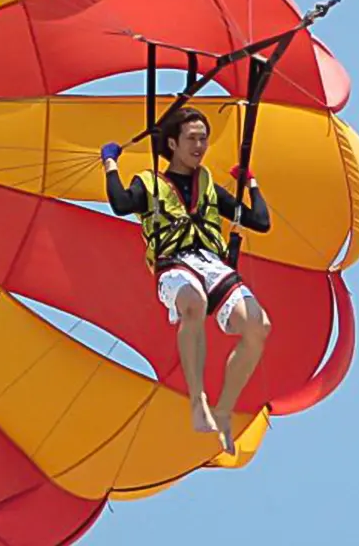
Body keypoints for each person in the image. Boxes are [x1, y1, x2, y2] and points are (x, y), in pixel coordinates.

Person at [99, 106, 272, 455]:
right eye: (192, 139)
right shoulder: (148, 183)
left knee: (258, 325)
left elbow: (259, 220)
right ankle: (198, 400)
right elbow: (120, 203)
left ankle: (224, 408)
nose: (200, 145)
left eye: (204, 139)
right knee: (193, 303)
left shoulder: (207, 183)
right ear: (173, 144)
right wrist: (111, 164)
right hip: (173, 264)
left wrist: (250, 181)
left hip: (212, 264)